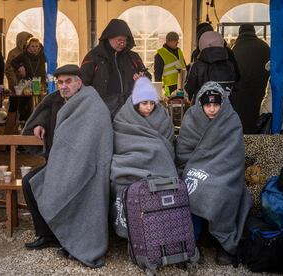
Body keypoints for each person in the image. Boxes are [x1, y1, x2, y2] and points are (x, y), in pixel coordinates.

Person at [21, 64, 113, 268]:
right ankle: (47, 234)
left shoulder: (92, 103)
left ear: (79, 83)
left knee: (66, 187)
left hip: (87, 167)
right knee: (29, 182)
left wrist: (74, 165)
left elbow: (94, 138)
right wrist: (40, 124)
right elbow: (47, 113)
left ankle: (68, 237)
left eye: (68, 81)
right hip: (61, 163)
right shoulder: (57, 100)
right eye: (59, 82)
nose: (63, 86)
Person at [176, 81, 252, 265]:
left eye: (216, 105)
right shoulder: (191, 119)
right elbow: (183, 153)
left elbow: (234, 156)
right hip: (195, 169)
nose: (211, 109)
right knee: (191, 190)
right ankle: (191, 242)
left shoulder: (231, 120)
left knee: (222, 191)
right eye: (207, 105)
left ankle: (223, 243)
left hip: (224, 172)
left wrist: (216, 172)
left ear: (223, 104)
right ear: (200, 105)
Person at [109, 77, 176, 238]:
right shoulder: (123, 119)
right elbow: (120, 144)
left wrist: (155, 151)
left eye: (152, 103)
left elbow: (167, 147)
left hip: (159, 166)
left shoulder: (163, 119)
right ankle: (132, 233)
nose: (149, 107)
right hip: (129, 164)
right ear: (135, 102)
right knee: (121, 184)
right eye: (144, 103)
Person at [80, 18, 150, 117]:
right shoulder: (94, 57)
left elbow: (146, 75)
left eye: (125, 40)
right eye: (119, 40)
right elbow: (82, 82)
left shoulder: (133, 57)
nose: (122, 44)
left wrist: (143, 77)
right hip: (102, 109)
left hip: (129, 107)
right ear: (108, 38)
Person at [231, 24, 270, 134]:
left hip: (241, 95)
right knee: (260, 125)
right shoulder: (264, 46)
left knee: (244, 126)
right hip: (261, 92)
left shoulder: (235, 49)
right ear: (254, 31)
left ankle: (246, 148)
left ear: (240, 33)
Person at [184, 31, 236, 103]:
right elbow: (234, 86)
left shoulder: (197, 65)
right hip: (224, 107)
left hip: (202, 107)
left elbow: (189, 88)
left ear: (202, 44)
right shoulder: (229, 65)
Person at [10, 37, 46, 121]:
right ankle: (24, 121)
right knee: (26, 103)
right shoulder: (24, 55)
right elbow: (13, 62)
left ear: (39, 47)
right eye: (32, 46)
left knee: (40, 103)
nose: (35, 48)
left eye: (37, 46)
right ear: (29, 47)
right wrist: (20, 67)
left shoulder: (42, 55)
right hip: (27, 82)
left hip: (40, 81)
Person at [260, 45, 283, 133]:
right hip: (271, 113)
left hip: (272, 111)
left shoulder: (279, 71)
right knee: (271, 140)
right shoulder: (278, 73)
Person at [154, 31, 186, 97]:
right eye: (175, 40)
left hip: (181, 85)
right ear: (169, 41)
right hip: (169, 87)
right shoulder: (160, 54)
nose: (177, 42)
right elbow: (157, 74)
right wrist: (159, 91)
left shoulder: (179, 51)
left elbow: (184, 66)